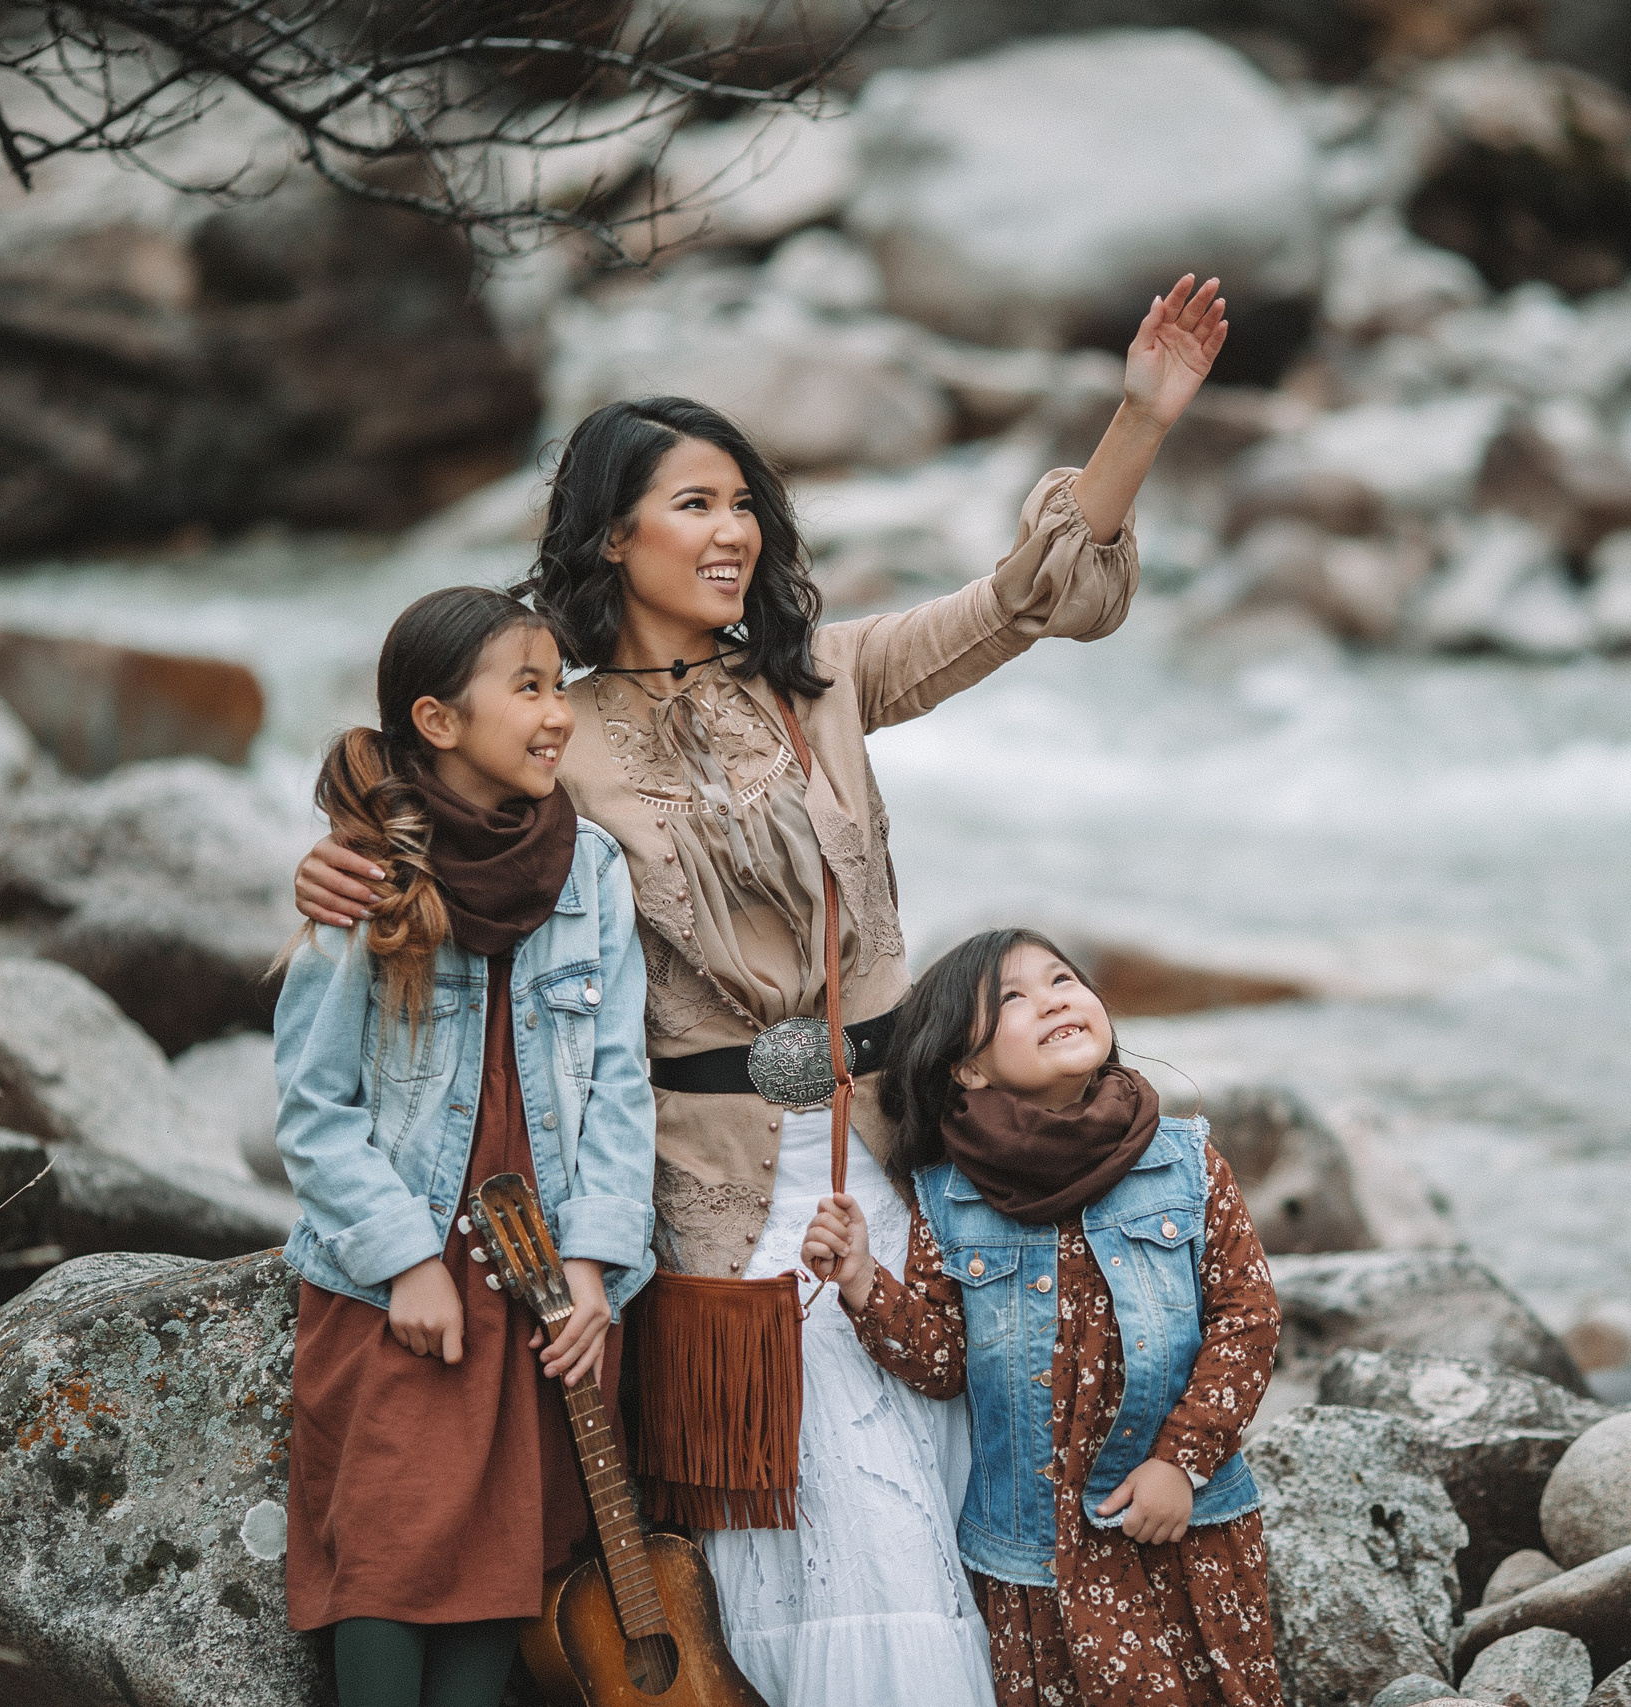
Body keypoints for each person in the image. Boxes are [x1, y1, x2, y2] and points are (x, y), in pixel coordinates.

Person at [295, 275, 1231, 1705]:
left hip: (896, 1153)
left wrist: (1138, 421)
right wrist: (336, 869)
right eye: (693, 504)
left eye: (743, 502)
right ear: (612, 535)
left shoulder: (822, 677)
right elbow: (428, 806)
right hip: (711, 1186)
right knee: (821, 1513)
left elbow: (1024, 601)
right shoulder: (563, 724)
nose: (731, 531)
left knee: (940, 1479)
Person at [273, 586, 657, 1707]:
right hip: (401, 1286)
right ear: (439, 722)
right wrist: (403, 1260)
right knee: (388, 1548)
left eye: (559, 687)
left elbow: (622, 1083)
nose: (556, 715)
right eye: (527, 689)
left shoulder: (589, 873)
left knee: (508, 1547)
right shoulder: (368, 874)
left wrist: (593, 1267)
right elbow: (311, 1103)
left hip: (542, 1281)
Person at [802, 928, 1283, 1707]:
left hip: (1180, 1523)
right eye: (1013, 999)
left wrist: (1181, 1461)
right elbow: (944, 1359)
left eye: (1062, 978)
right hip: (1036, 1555)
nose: (1052, 997)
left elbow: (1247, 1318)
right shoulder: (949, 1196)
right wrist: (861, 1278)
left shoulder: (1186, 1158)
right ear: (967, 1066)